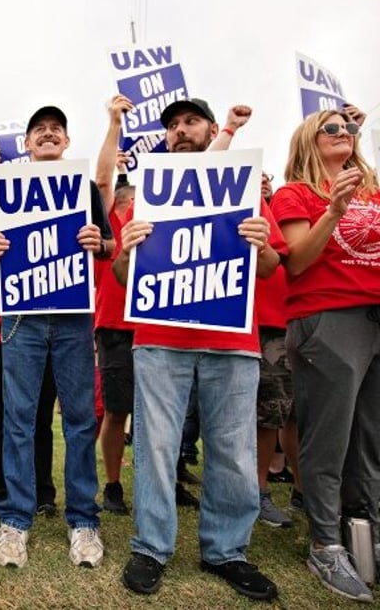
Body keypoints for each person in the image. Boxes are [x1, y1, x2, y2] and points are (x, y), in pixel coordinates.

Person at [114, 98, 283, 601]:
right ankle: (150, 547)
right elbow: (125, 278)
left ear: (212, 130)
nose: (179, 131)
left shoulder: (246, 188)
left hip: (231, 343)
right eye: (172, 125)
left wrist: (262, 244)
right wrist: (126, 251)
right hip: (160, 342)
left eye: (190, 122)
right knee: (157, 448)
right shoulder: (147, 195)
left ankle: (227, 551)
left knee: (232, 450)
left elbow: (271, 267)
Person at [0, 105, 113, 568]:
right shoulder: (7, 188)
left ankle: (83, 521)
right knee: (18, 420)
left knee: (79, 418)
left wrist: (99, 242)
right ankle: (16, 520)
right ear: (27, 144)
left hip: (74, 315)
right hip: (23, 317)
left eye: (56, 129)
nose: (48, 134)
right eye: (39, 129)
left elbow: (112, 245)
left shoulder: (82, 187)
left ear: (66, 141)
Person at [270, 106, 379, 603]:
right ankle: (326, 542)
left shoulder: (373, 191)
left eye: (349, 128)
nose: (343, 133)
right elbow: (296, 262)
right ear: (309, 141)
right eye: (330, 128)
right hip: (327, 319)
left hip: (374, 317)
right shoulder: (298, 194)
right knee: (328, 438)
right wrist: (333, 210)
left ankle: (368, 532)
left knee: (371, 441)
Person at [0, 147, 58, 517]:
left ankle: (43, 492)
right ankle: (2, 490)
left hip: (47, 339)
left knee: (41, 419)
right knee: (6, 420)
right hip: (0, 340)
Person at [93, 99, 138, 515]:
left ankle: (167, 480)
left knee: (161, 414)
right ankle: (111, 485)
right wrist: (114, 122)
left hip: (158, 325)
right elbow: (103, 178)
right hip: (115, 326)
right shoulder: (112, 222)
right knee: (118, 409)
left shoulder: (157, 221)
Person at [254, 171, 300, 529]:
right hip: (239, 326)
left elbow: (278, 262)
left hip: (280, 325)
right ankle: (251, 491)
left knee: (279, 411)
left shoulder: (271, 215)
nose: (263, 183)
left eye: (266, 177)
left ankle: (273, 491)